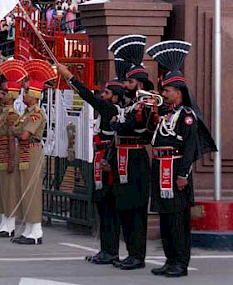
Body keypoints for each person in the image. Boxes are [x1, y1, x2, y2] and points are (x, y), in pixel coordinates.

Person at [146, 41, 217, 278]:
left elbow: (189, 148)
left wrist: (182, 174)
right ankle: (169, 259)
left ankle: (180, 263)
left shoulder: (187, 116)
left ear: (178, 91)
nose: (163, 94)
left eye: (167, 90)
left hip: (175, 170)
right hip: (160, 169)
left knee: (178, 219)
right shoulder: (166, 114)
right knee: (166, 217)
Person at [57, 59, 128, 264]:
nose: (102, 96)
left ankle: (110, 251)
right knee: (103, 208)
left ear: (115, 96)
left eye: (106, 93)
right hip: (100, 159)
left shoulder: (111, 110)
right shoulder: (107, 110)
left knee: (108, 209)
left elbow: (88, 96)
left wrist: (69, 76)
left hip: (107, 161)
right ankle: (106, 249)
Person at [107, 35, 155, 269]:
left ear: (140, 83)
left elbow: (138, 126)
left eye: (129, 82)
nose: (125, 85)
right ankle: (130, 252)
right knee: (123, 206)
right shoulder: (129, 104)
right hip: (122, 156)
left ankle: (138, 255)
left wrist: (119, 123)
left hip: (135, 157)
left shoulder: (146, 104)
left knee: (136, 208)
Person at [11, 60, 51, 245]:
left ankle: (36, 231)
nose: (23, 94)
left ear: (34, 94)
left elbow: (25, 134)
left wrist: (15, 132)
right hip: (24, 152)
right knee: (23, 191)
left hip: (31, 152)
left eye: (26, 91)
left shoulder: (35, 114)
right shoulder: (27, 113)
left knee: (31, 192)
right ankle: (28, 229)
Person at [0, 59, 27, 238]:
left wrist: (12, 159)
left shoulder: (11, 114)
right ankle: (4, 221)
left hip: (6, 151)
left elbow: (12, 137)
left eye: (3, 93)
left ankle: (10, 224)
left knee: (8, 188)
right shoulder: (2, 111)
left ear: (11, 95)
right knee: (1, 187)